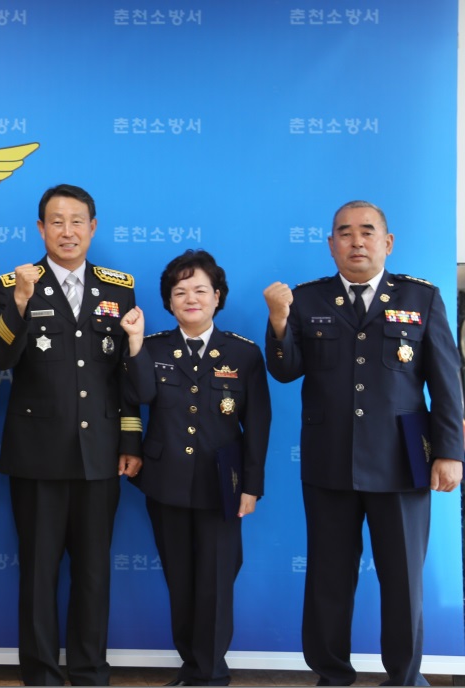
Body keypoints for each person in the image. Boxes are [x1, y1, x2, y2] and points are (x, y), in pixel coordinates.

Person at [264, 200, 464, 686]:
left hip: (402, 461)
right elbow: (286, 371)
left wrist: (450, 451)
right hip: (329, 460)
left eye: (367, 231)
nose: (356, 241)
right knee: (329, 578)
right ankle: (332, 674)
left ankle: (405, 678)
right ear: (331, 244)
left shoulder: (421, 298)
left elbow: (447, 381)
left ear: (387, 242)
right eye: (345, 233)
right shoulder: (307, 299)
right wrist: (278, 320)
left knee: (403, 580)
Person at [0, 183, 142, 686]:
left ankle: (90, 670)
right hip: (37, 454)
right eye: (56, 221)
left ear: (93, 228)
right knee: (38, 572)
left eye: (77, 221)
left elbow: (126, 373)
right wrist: (20, 302)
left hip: (100, 452)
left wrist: (130, 440)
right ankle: (41, 674)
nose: (67, 231)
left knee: (94, 572)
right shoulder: (13, 283)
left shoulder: (119, 288)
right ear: (40, 228)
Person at [120, 249, 271, 686]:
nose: (191, 299)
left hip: (222, 485)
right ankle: (192, 666)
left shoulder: (243, 353)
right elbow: (138, 396)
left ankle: (211, 672)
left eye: (201, 290)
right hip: (165, 482)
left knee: (217, 582)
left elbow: (258, 425)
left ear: (217, 296)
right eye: (180, 291)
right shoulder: (151, 347)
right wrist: (134, 343)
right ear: (168, 301)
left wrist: (252, 486)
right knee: (180, 581)